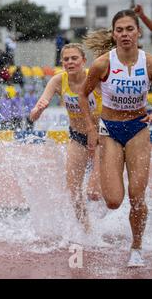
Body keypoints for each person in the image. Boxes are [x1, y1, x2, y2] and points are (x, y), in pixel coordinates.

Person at [80, 10, 152, 267]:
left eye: (129, 29)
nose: (125, 34)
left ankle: (136, 247)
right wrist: (90, 126)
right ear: (113, 34)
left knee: (137, 195)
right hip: (110, 129)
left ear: (138, 32)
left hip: (138, 130)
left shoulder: (148, 62)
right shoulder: (103, 63)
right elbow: (82, 93)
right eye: (119, 30)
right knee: (113, 201)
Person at [30, 43, 103, 232]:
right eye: (66, 59)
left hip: (102, 137)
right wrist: (38, 110)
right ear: (62, 62)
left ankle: (113, 213)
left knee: (96, 191)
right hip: (78, 137)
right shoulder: (57, 81)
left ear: (83, 61)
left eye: (74, 58)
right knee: (73, 190)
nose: (70, 62)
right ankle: (88, 229)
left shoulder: (95, 78)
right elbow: (35, 112)